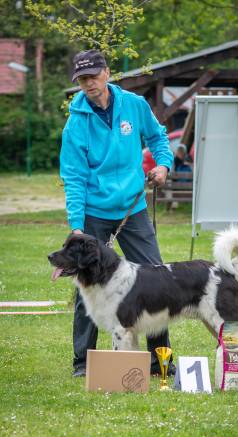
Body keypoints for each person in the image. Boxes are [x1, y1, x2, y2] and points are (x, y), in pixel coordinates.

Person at [60, 49, 175, 377]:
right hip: (95, 213)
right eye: (82, 79)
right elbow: (74, 177)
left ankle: (158, 362)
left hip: (133, 208)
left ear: (107, 73)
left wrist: (163, 164)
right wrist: (77, 227)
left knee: (156, 279)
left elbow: (158, 137)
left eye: (93, 76)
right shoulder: (75, 123)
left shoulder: (135, 105)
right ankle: (84, 362)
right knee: (88, 285)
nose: (89, 84)